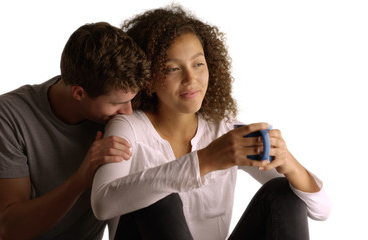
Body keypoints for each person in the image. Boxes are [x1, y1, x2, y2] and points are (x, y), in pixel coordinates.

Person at [91, 5, 331, 240]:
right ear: (149, 78)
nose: (190, 78)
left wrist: (289, 163)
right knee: (158, 196)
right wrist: (206, 160)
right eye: (173, 68)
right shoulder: (128, 127)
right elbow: (102, 204)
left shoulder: (224, 130)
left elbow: (321, 210)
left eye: (198, 64)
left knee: (282, 191)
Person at [0, 22, 150, 240]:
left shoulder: (118, 118)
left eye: (131, 100)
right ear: (79, 93)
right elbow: (9, 229)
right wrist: (81, 179)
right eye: (118, 103)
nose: (128, 112)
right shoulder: (9, 113)